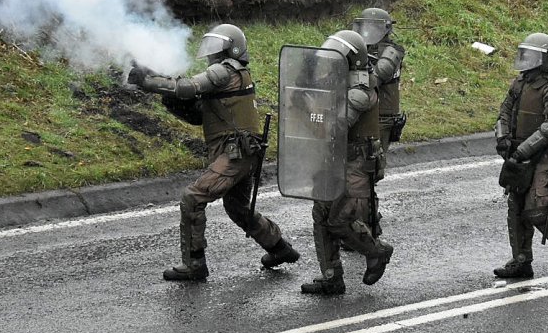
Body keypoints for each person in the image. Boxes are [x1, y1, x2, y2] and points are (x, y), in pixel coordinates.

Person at [128, 24, 299, 281]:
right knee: (238, 208)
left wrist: (150, 81)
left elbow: (187, 87)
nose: (210, 53)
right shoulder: (232, 76)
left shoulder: (224, 71)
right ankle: (281, 249)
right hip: (240, 153)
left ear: (231, 49)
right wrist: (166, 94)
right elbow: (199, 115)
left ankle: (195, 264)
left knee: (192, 198)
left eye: (215, 47)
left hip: (235, 154)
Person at [301, 30, 394, 295]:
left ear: (351, 60)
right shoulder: (338, 81)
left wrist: (311, 111)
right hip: (336, 158)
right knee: (321, 213)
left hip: (355, 162)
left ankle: (376, 251)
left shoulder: (360, 90)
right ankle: (331, 276)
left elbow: (336, 126)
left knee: (340, 218)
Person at [493, 33, 548, 279]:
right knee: (516, 207)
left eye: (533, 55)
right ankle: (521, 261)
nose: (527, 60)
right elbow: (504, 112)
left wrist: (523, 150)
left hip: (544, 156)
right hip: (517, 153)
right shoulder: (520, 83)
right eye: (525, 54)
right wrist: (503, 138)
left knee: (537, 209)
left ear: (546, 58)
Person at [351, 8, 406, 236]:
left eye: (372, 27)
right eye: (365, 26)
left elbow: (379, 74)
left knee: (368, 171)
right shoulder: (359, 48)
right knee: (358, 170)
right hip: (364, 112)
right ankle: (362, 219)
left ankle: (370, 226)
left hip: (382, 119)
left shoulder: (392, 51)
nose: (367, 31)